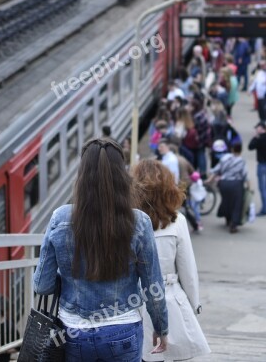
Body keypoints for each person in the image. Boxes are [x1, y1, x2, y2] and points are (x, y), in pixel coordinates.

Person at [33, 138, 168, 360]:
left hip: (74, 333)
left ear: (82, 176)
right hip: (122, 329)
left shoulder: (60, 218)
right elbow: (153, 285)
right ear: (122, 176)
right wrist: (161, 328)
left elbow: (42, 285)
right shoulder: (140, 222)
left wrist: (67, 274)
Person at [133, 160, 211, 361]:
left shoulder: (127, 220)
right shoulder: (177, 221)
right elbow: (187, 269)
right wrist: (194, 304)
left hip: (134, 302)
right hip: (170, 298)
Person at [209, 142, 248, 233]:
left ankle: (227, 218)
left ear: (231, 149)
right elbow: (245, 175)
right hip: (236, 184)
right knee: (237, 204)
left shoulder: (224, 158)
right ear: (241, 151)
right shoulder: (241, 161)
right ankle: (233, 224)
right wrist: (249, 187)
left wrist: (209, 180)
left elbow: (215, 171)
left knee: (226, 200)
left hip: (224, 183)